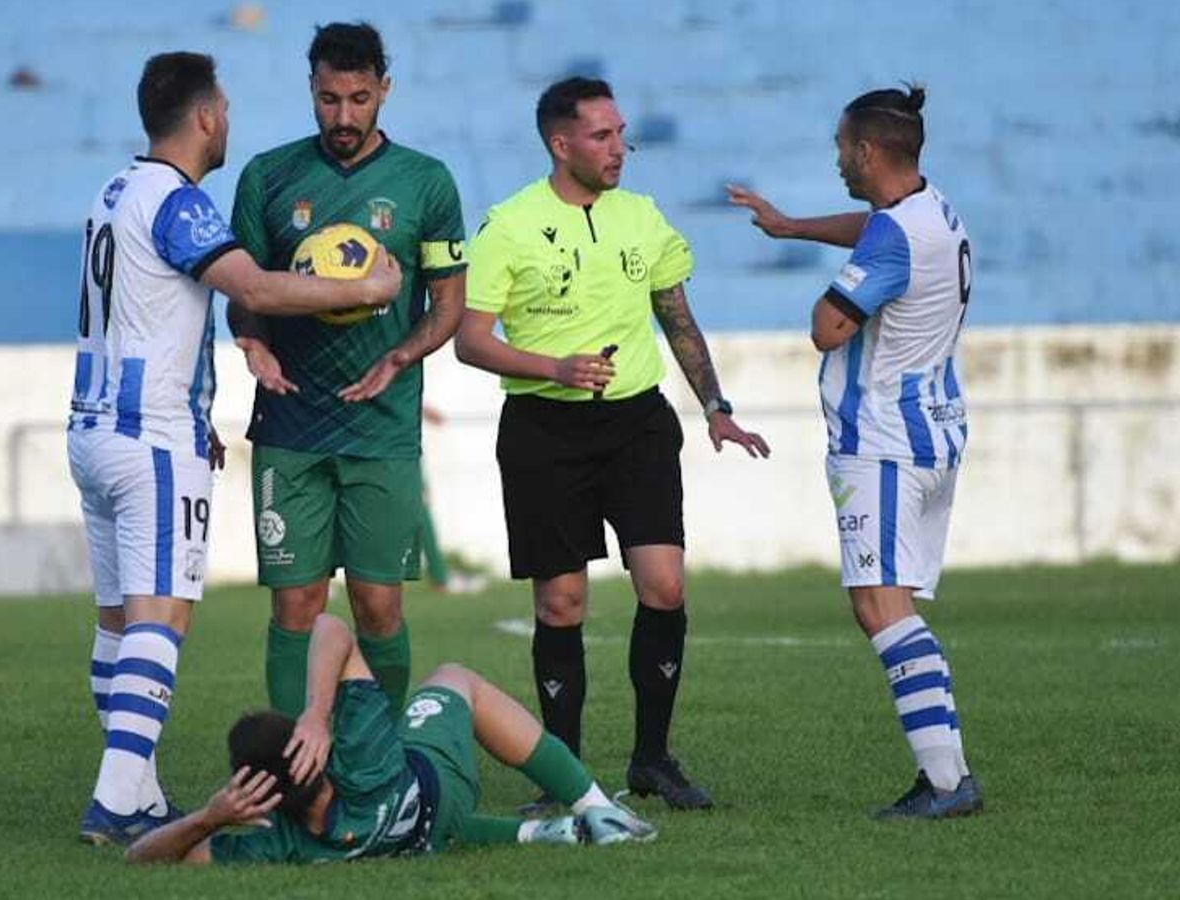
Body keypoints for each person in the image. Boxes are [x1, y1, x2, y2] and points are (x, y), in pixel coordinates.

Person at [71, 51, 402, 846]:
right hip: (150, 440)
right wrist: (364, 289)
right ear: (207, 116)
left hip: (93, 427)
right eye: (224, 106)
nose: (229, 119)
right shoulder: (180, 203)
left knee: (119, 620)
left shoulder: (112, 192)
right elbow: (253, 288)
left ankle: (138, 788)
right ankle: (117, 799)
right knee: (161, 616)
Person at [455, 77, 770, 811]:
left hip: (636, 424)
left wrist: (716, 405)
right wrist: (554, 368)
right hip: (543, 430)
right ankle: (564, 777)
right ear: (561, 145)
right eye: (601, 136)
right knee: (562, 604)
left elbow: (677, 318)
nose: (619, 148)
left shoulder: (641, 216)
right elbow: (471, 342)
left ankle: (652, 760)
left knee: (664, 585)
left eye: (621, 132)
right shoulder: (510, 224)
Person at [727, 84, 982, 818]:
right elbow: (878, 233)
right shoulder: (931, 208)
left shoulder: (895, 237)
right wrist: (792, 227)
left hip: (883, 440)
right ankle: (944, 773)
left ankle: (946, 781)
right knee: (886, 603)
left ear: (868, 151)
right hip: (931, 428)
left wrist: (837, 291)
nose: (839, 161)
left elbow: (828, 328)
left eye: (843, 149)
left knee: (881, 607)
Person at [226, 22, 468, 722]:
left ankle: (379, 755)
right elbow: (242, 290)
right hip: (291, 420)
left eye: (359, 98)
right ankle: (294, 771)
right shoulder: (268, 177)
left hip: (383, 426)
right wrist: (252, 342)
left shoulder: (425, 182)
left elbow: (449, 303)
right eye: (329, 98)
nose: (343, 116)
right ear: (310, 88)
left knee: (378, 603)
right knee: (296, 602)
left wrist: (402, 354)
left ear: (384, 90)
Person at [125, 613, 656, 864]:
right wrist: (317, 710)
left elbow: (142, 860)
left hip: (410, 837)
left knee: (420, 837)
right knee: (455, 678)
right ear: (315, 753)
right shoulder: (361, 758)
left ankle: (542, 834)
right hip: (439, 785)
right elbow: (331, 627)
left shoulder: (280, 840)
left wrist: (209, 816)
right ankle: (596, 808)